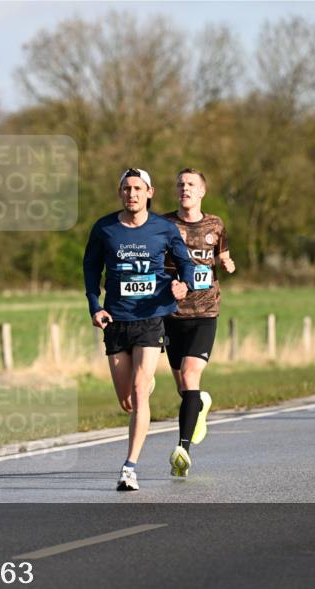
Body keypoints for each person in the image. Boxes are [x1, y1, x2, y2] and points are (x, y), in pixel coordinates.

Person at [83, 168, 195, 490]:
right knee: (127, 400)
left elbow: (185, 263)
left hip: (151, 317)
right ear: (120, 192)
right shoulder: (104, 228)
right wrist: (95, 305)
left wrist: (184, 284)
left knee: (139, 388)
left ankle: (129, 467)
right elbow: (90, 268)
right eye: (126, 189)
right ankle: (143, 385)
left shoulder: (164, 228)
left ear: (149, 192)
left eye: (137, 188)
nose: (131, 194)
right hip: (117, 319)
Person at [162, 168, 235, 451]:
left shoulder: (215, 224)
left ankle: (183, 451)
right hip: (172, 313)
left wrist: (227, 262)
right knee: (184, 386)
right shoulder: (164, 224)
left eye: (191, 184)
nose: (185, 188)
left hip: (205, 312)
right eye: (180, 184)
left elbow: (222, 252)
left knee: (191, 376)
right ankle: (200, 405)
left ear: (202, 191)